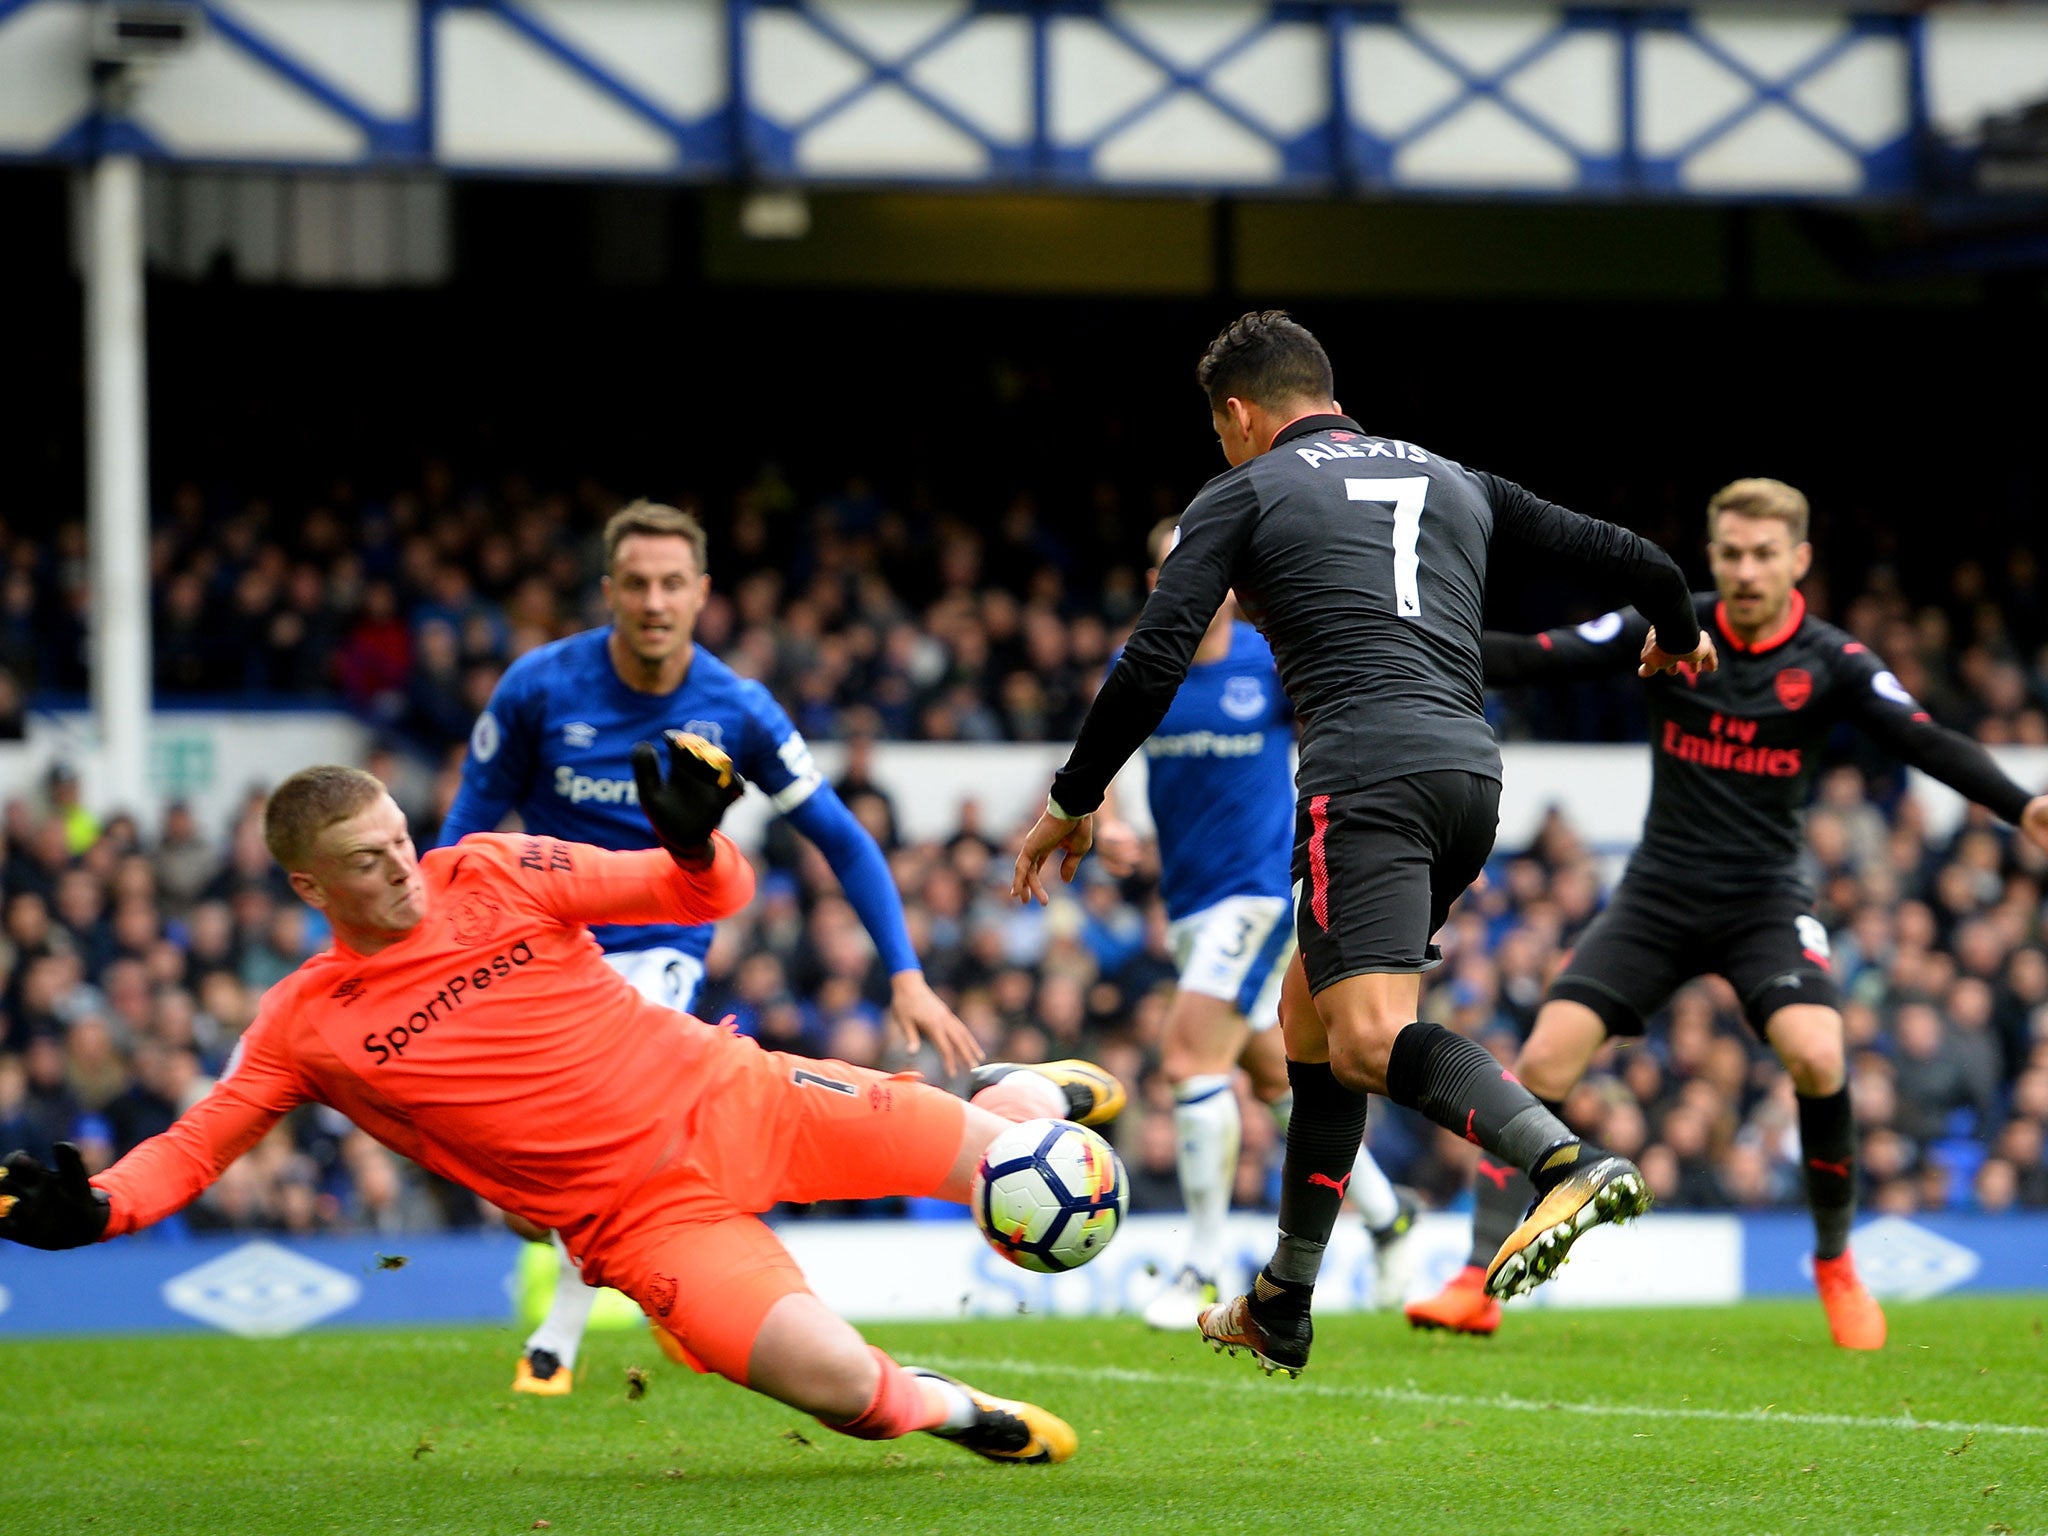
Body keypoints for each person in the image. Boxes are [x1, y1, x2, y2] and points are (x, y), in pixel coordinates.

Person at [0, 742, 1080, 1465]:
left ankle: (1017, 1096)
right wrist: (100, 1209)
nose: (401, 868)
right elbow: (198, 1145)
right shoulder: (305, 1022)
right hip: (642, 1223)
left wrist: (697, 843)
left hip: (738, 1092)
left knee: (1022, 1168)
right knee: (857, 1397)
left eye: (397, 837)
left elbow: (706, 896)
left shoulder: (492, 869)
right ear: (309, 889)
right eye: (365, 864)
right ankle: (952, 1403)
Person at [1011, 310, 1715, 1376]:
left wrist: (1073, 795)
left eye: (1220, 431)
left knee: (1367, 1037)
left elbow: (1157, 653)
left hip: (1362, 782)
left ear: (1239, 414)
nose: (1223, 449)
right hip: (1467, 778)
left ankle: (1562, 1162)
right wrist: (1674, 635)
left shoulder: (1242, 489)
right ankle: (1282, 1299)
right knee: (1305, 1015)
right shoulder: (1453, 477)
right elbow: (1638, 560)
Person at [1406, 477, 2048, 1349]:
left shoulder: (1831, 661)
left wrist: (2019, 806)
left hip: (1764, 900)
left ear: (1799, 560)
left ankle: (1834, 1263)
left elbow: (1925, 737)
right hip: (1658, 893)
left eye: (1764, 554)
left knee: (1819, 1053)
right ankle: (1472, 1278)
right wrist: (1396, 643)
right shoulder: (1670, 628)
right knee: (1547, 1053)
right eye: (1732, 554)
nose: (1746, 571)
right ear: (1714, 557)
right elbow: (1538, 653)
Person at [441, 501, 984, 1395]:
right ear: (610, 591)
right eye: (637, 584)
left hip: (658, 952)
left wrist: (907, 973)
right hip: (541, 950)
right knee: (518, 1200)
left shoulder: (737, 707)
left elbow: (843, 838)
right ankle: (654, 1293)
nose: (654, 601)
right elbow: (461, 834)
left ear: (701, 594)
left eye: (671, 585)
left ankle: (560, 1338)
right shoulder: (538, 687)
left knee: (603, 1131)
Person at [1092, 518, 1414, 1330]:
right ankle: (1388, 1218)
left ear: (1228, 582)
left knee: (1188, 1055)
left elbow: (1343, 726)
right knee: (1275, 1079)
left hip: (1264, 894)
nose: (1183, 582)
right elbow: (1108, 758)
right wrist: (1116, 819)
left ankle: (1202, 1264)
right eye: (1168, 569)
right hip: (1192, 906)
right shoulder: (1143, 668)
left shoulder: (1267, 665)